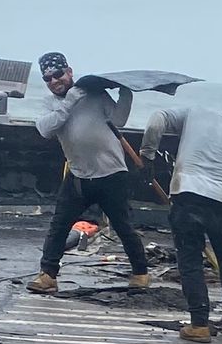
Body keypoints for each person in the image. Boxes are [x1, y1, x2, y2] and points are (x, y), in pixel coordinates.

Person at [139, 94, 222, 343]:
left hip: (186, 194)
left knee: (190, 261)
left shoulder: (194, 112)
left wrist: (147, 156)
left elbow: (157, 119)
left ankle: (199, 325)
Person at [27, 53, 152, 295]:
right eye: (48, 78)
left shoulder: (95, 94)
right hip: (78, 175)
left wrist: (126, 94)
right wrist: (69, 102)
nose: (54, 81)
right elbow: (45, 129)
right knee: (59, 226)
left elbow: (118, 120)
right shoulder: (50, 103)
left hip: (111, 174)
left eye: (58, 74)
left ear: (69, 72)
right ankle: (48, 275)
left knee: (123, 226)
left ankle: (140, 273)